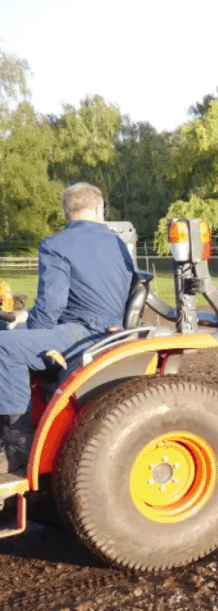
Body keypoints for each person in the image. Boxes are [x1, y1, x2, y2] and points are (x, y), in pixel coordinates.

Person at [0, 182, 135, 472]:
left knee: (5, 345)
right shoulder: (118, 244)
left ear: (66, 212)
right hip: (104, 329)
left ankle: (17, 443)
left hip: (83, 334)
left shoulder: (56, 244)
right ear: (100, 209)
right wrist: (26, 316)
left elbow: (51, 306)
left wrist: (33, 327)